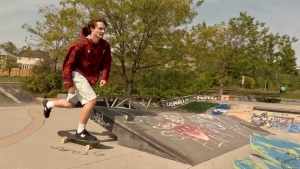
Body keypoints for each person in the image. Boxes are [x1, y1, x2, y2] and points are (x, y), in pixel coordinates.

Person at [42, 17, 112, 141]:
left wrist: (104, 77)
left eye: (104, 29)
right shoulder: (79, 45)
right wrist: (69, 84)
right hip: (76, 74)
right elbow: (67, 65)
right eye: (100, 28)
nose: (102, 31)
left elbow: (106, 62)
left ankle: (48, 104)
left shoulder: (105, 46)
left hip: (88, 78)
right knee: (91, 100)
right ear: (91, 28)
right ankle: (81, 131)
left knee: (70, 104)